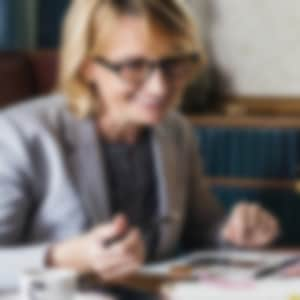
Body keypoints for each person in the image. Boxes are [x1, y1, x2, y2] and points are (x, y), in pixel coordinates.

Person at [0, 0, 279, 285]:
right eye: (134, 66)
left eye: (174, 63)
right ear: (86, 67)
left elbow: (202, 228)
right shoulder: (19, 136)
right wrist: (60, 258)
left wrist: (235, 231)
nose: (159, 87)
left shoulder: (175, 131)